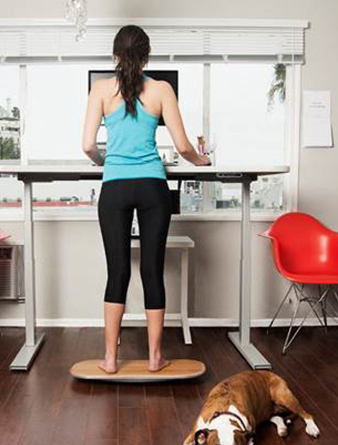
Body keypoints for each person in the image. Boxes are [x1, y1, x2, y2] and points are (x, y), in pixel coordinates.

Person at [82, 25, 211, 374]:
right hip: (154, 186)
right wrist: (202, 160)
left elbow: (88, 146)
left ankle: (110, 358)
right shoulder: (162, 89)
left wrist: (104, 162)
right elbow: (184, 147)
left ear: (114, 56)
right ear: (147, 57)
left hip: (115, 188)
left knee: (118, 271)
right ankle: (155, 357)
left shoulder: (99, 90)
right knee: (153, 270)